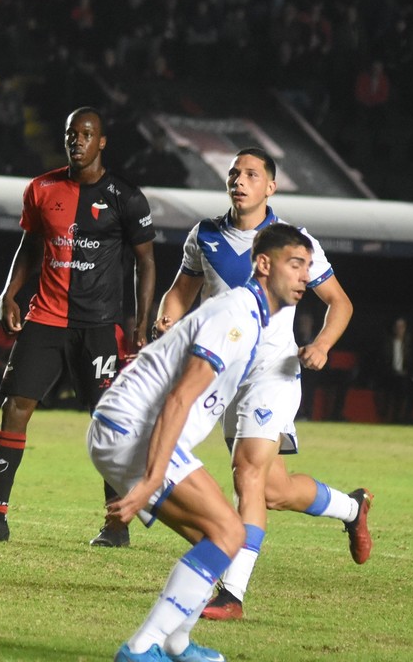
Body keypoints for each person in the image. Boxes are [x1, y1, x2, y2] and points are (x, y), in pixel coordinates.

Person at [154, 148, 370, 620]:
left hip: (274, 372)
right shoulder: (204, 235)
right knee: (272, 490)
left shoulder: (294, 242)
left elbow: (340, 303)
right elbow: (181, 290)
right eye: (234, 173)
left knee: (246, 473)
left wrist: (322, 345)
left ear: (270, 187)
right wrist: (167, 317)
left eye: (252, 174)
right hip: (224, 374)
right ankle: (352, 509)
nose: (240, 179)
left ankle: (231, 593)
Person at [99, 224, 314, 662]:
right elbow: (179, 397)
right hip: (134, 428)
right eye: (295, 264)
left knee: (214, 538)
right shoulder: (237, 315)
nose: (304, 276)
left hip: (131, 428)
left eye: (308, 267)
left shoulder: (253, 317)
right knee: (229, 534)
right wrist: (152, 482)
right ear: (264, 264)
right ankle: (142, 645)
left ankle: (176, 639)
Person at [0, 107, 156, 546]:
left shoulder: (126, 198)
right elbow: (30, 243)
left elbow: (145, 261)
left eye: (87, 134)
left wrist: (141, 324)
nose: (77, 141)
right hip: (45, 319)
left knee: (107, 423)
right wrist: (10, 292)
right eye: (71, 134)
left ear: (102, 142)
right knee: (15, 407)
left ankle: (116, 526)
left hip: (100, 327)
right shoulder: (42, 189)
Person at [376, 317, 413, 425]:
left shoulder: (409, 344)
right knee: (398, 385)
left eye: (402, 327)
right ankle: (394, 418)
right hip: (389, 375)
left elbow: (412, 364)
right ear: (394, 328)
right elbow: (382, 363)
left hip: (405, 376)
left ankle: (406, 418)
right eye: (398, 326)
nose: (400, 329)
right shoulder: (386, 343)